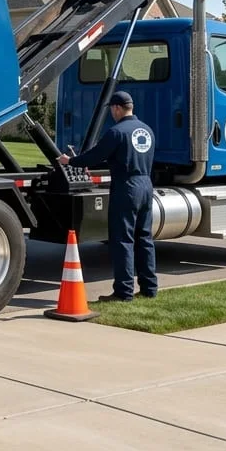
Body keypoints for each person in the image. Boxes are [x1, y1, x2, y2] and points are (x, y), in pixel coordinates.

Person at [57, 91, 157, 302]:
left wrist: (71, 161)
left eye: (112, 108)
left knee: (123, 240)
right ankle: (149, 288)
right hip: (146, 184)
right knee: (144, 238)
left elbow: (96, 155)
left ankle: (124, 291)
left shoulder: (116, 132)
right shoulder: (147, 130)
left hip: (126, 187)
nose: (112, 112)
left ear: (117, 108)